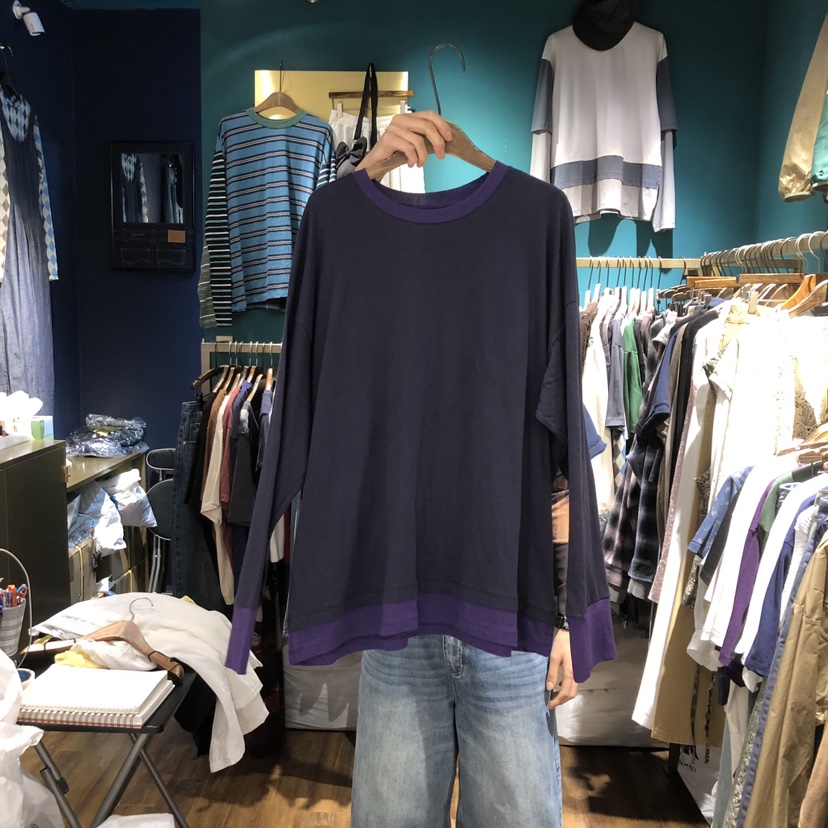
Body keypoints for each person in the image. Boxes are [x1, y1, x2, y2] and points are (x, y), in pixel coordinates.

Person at [345, 110, 579, 828]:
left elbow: (562, 468)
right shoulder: (361, 265)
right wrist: (366, 175)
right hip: (398, 617)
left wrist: (564, 619)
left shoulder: (536, 235)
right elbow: (327, 250)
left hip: (510, 617)